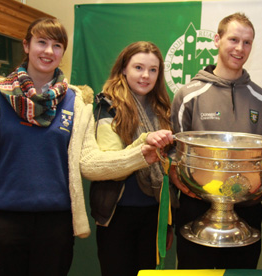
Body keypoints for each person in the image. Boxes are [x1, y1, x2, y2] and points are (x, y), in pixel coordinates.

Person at [0, 18, 172, 276]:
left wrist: (140, 154)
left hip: (56, 224)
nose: (48, 51)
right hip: (3, 223)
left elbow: (88, 162)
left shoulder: (76, 102)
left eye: (57, 45)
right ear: (26, 45)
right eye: (41, 42)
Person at [170, 12, 262, 269]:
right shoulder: (188, 96)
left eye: (247, 42)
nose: (240, 48)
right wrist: (177, 176)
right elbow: (172, 153)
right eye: (233, 39)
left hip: (246, 211)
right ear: (217, 40)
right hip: (195, 207)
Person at [91, 41, 176, 276]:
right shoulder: (108, 106)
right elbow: (108, 162)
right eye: (138, 67)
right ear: (123, 69)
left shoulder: (163, 109)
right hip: (117, 215)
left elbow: (169, 168)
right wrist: (143, 148)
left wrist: (168, 223)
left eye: (153, 70)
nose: (145, 76)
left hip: (153, 215)